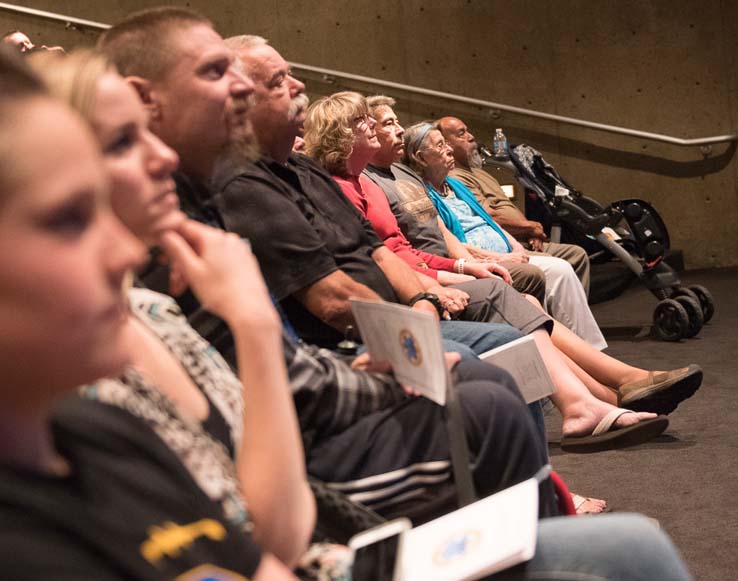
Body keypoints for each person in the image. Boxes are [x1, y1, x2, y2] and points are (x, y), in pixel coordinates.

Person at [0, 44, 695, 581]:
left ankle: (595, 397)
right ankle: (587, 409)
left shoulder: (99, 417)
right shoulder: (94, 415)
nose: (120, 249)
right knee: (483, 387)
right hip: (322, 442)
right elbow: (328, 311)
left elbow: (262, 540)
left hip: (321, 514)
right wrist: (267, 320)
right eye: (68, 218)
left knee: (612, 520)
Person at [97, 8, 562, 532]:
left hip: (305, 394)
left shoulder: (211, 195)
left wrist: (417, 308)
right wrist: (393, 357)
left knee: (485, 373)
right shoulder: (192, 208)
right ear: (145, 101)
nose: (241, 90)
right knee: (484, 399)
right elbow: (245, 404)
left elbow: (282, 355)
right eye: (214, 72)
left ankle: (547, 515)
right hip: (283, 459)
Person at [30, 47, 317, 576]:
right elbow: (272, 537)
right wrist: (254, 325)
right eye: (67, 217)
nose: (161, 156)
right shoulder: (76, 390)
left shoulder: (148, 315)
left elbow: (265, 544)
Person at [403, 120, 609, 349]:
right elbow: (453, 244)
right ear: (421, 158)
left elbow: (489, 221)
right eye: (441, 146)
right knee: (559, 270)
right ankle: (582, 349)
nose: (449, 150)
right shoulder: (424, 193)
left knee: (565, 264)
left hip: (506, 251)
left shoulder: (453, 184)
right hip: (483, 259)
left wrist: (516, 247)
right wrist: (501, 258)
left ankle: (585, 350)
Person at [438, 115, 590, 289]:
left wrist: (530, 231)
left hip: (521, 238)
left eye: (468, 130)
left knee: (576, 255)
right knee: (558, 267)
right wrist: (529, 228)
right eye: (461, 133)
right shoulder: (456, 178)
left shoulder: (478, 172)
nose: (471, 136)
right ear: (446, 144)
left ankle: (571, 308)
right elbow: (489, 218)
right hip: (504, 243)